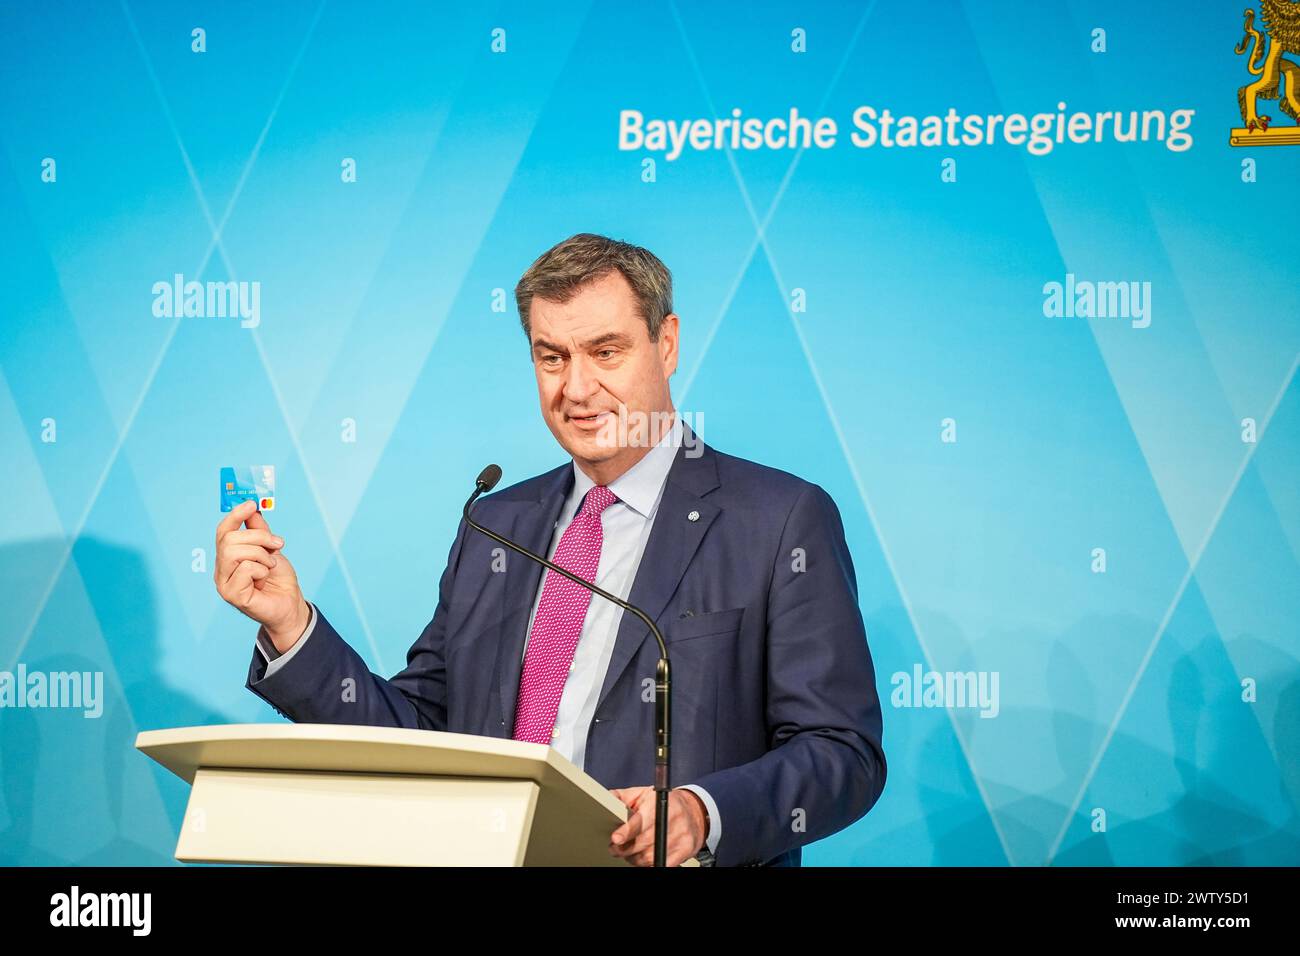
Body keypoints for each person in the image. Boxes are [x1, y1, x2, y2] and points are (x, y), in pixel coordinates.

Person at [214, 232, 886, 866]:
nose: (577, 388)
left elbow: (841, 752)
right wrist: (291, 625)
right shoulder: (497, 525)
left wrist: (702, 813)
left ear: (668, 343)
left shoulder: (777, 519)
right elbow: (421, 736)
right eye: (552, 357)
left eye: (607, 351)